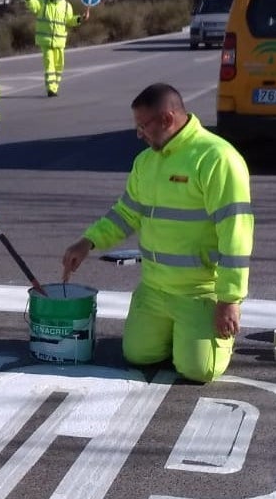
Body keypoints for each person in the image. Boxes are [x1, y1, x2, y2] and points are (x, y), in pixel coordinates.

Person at [61, 83, 253, 382]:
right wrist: (88, 242)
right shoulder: (146, 161)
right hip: (154, 288)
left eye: (143, 126)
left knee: (199, 371)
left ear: (167, 118)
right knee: (138, 355)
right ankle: (180, 335)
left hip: (199, 291)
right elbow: (126, 213)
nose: (139, 134)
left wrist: (230, 300)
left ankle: (205, 336)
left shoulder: (216, 158)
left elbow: (236, 232)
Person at [24, 0, 89, 97]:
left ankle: (55, 86)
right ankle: (51, 89)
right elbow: (33, 6)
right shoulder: (43, 2)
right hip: (46, 40)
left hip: (59, 42)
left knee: (59, 66)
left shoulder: (66, 6)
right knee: (49, 64)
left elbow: (70, 20)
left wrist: (80, 18)